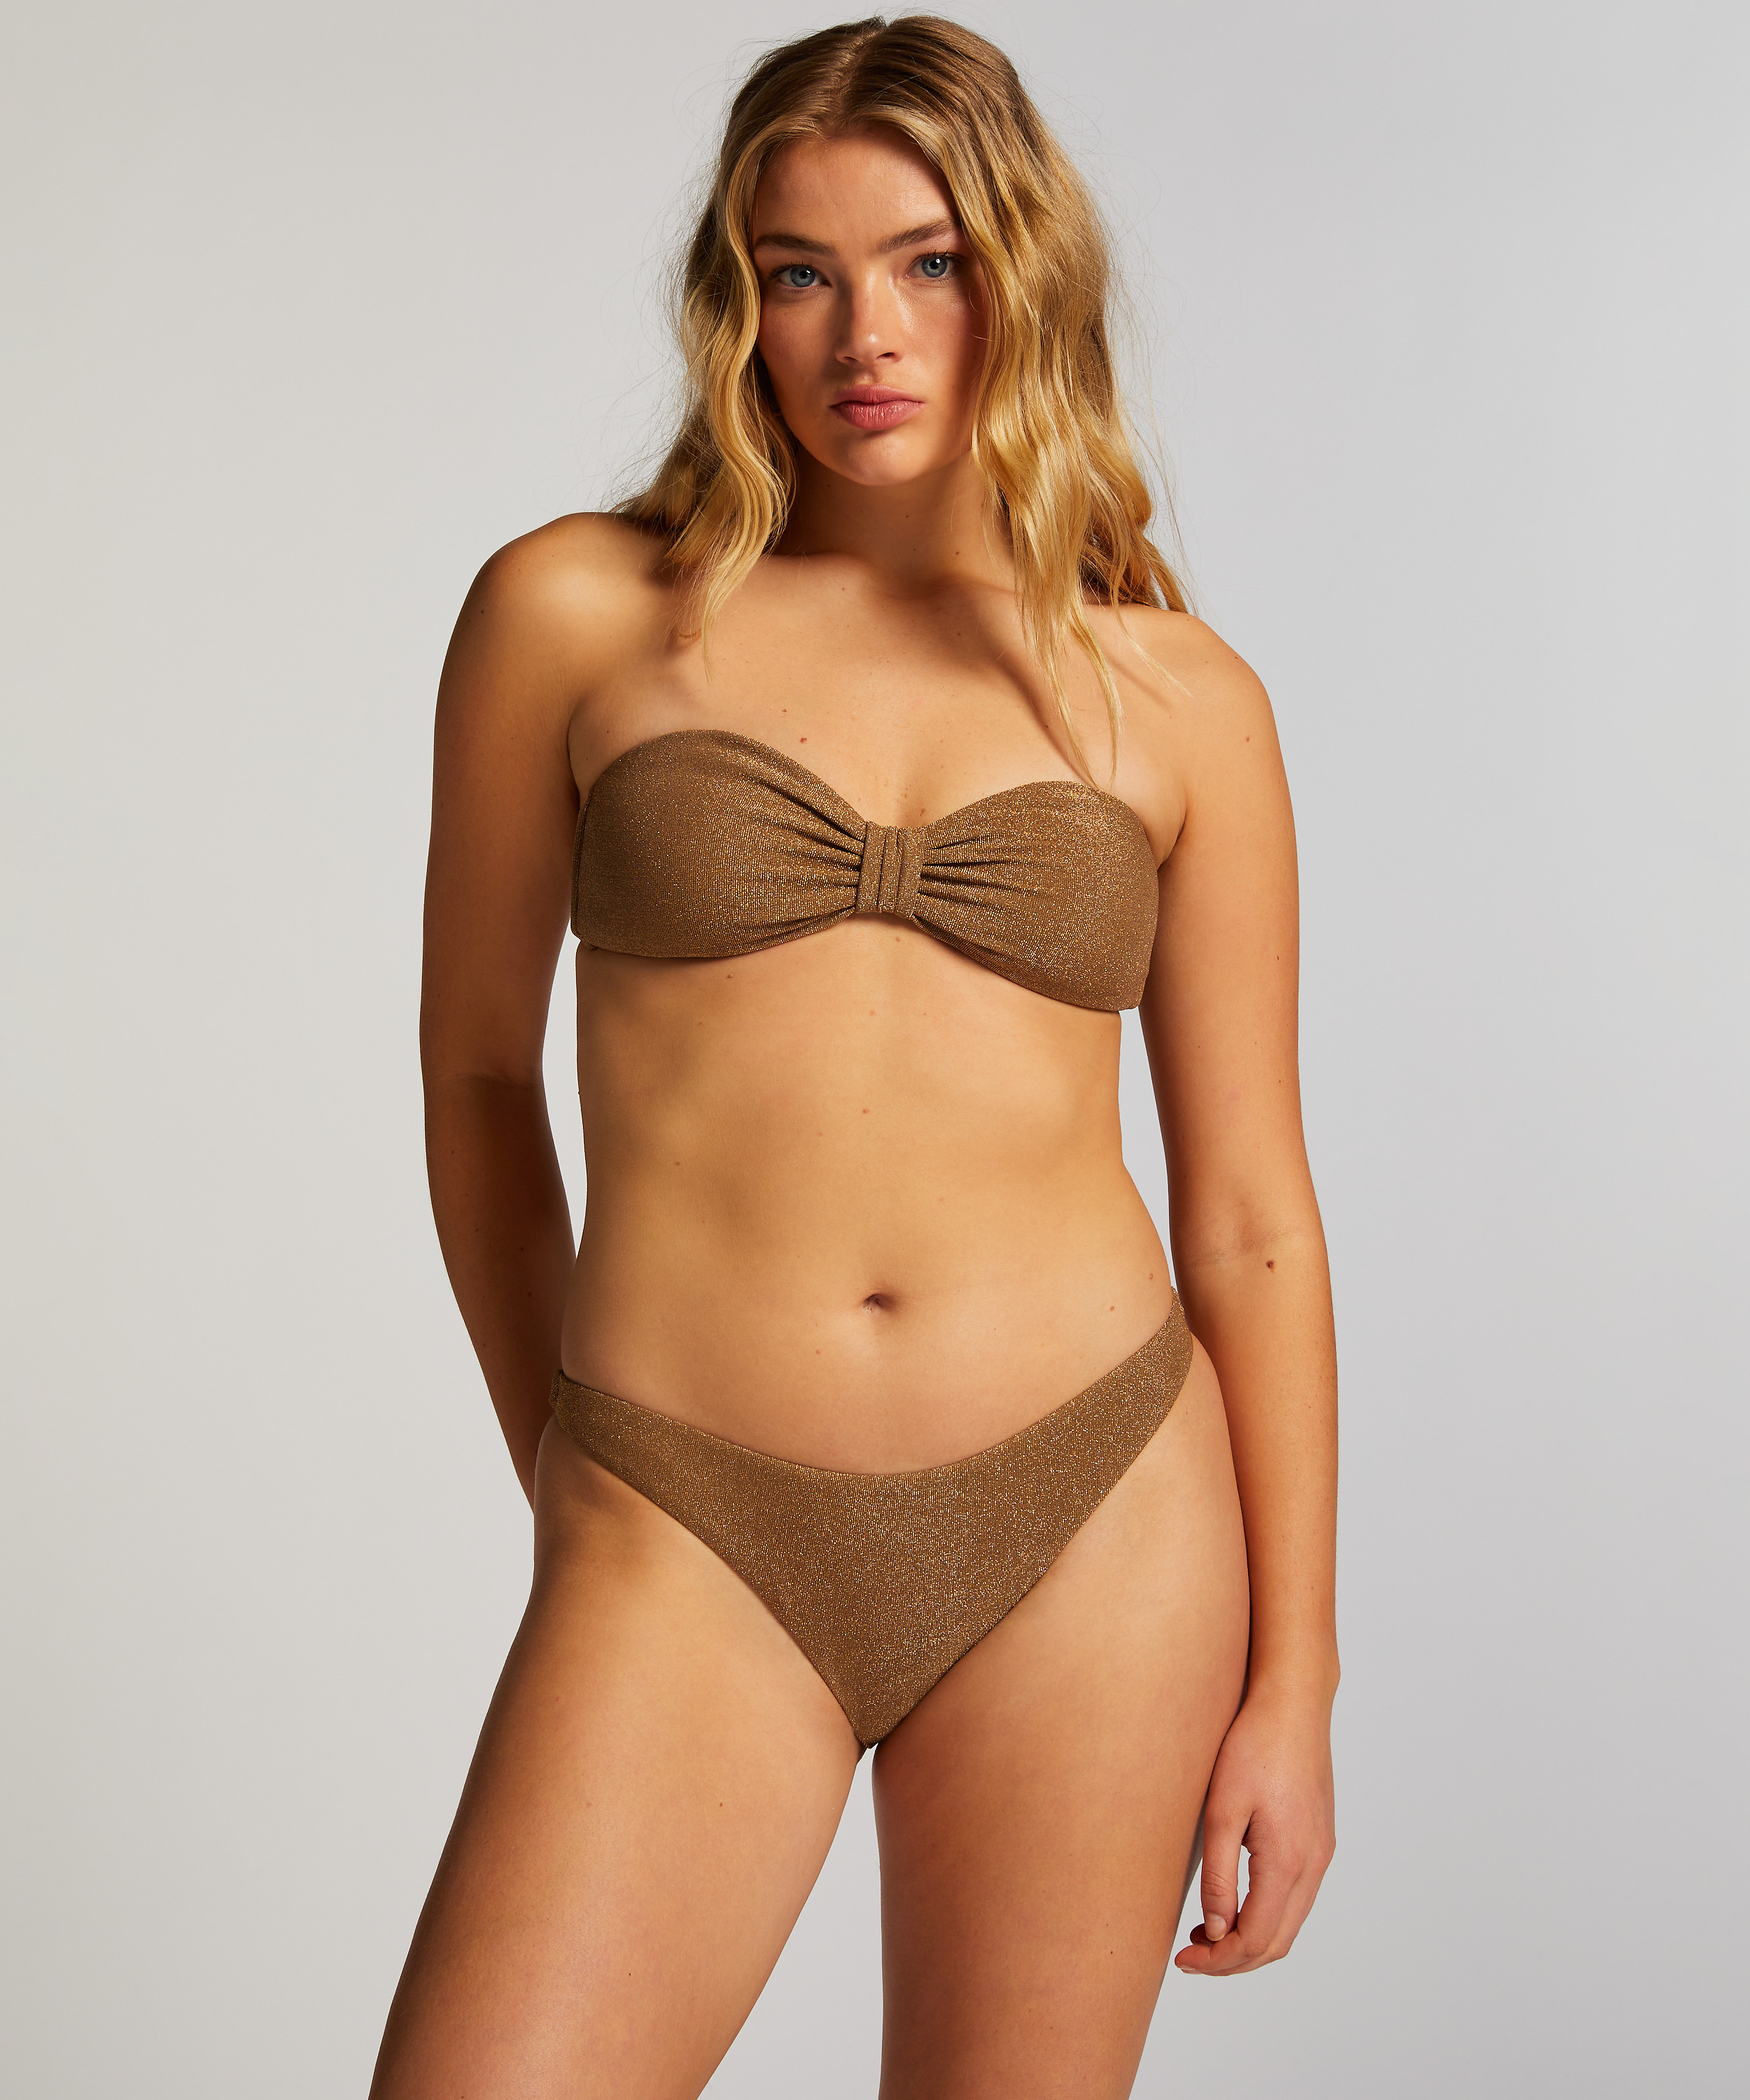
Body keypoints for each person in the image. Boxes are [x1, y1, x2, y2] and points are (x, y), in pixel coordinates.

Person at [371, 15, 1337, 2097]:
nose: (862, 333)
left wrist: (1297, 1685)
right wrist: (574, 1474)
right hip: (681, 1505)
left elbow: (1252, 1218)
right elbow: (474, 1085)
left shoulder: (1183, 700)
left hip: (1094, 1514)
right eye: (796, 270)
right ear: (736, 303)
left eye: (928, 263)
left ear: (1023, 278)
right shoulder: (573, 616)